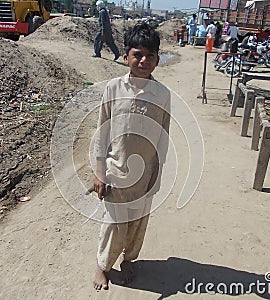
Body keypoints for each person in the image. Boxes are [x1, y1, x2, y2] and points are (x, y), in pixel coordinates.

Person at [92, 22, 171, 290]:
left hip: (145, 174)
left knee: (138, 222)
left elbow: (163, 135)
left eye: (150, 56)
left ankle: (128, 259)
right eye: (137, 54)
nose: (143, 60)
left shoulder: (161, 94)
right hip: (115, 172)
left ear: (157, 60)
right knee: (114, 223)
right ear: (126, 56)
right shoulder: (114, 89)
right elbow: (101, 132)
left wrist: (156, 173)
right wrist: (99, 173)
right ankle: (103, 265)